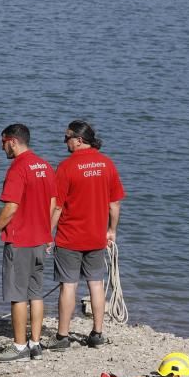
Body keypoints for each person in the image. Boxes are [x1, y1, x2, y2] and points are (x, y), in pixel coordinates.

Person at [43, 120, 124, 351]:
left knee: (68, 285)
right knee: (96, 284)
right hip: (96, 236)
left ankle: (62, 337)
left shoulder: (66, 167)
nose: (64, 142)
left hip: (70, 236)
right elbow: (114, 203)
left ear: (79, 140)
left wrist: (48, 233)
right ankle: (97, 334)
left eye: (67, 137)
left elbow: (57, 207)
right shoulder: (107, 164)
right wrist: (112, 230)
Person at [0, 124, 56, 362]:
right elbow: (53, 202)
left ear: (12, 141)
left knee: (18, 295)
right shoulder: (44, 166)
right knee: (36, 293)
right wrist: (46, 230)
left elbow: (11, 207)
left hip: (20, 239)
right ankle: (35, 344)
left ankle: (19, 346)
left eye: (2, 143)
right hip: (40, 239)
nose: (2, 148)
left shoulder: (18, 168)